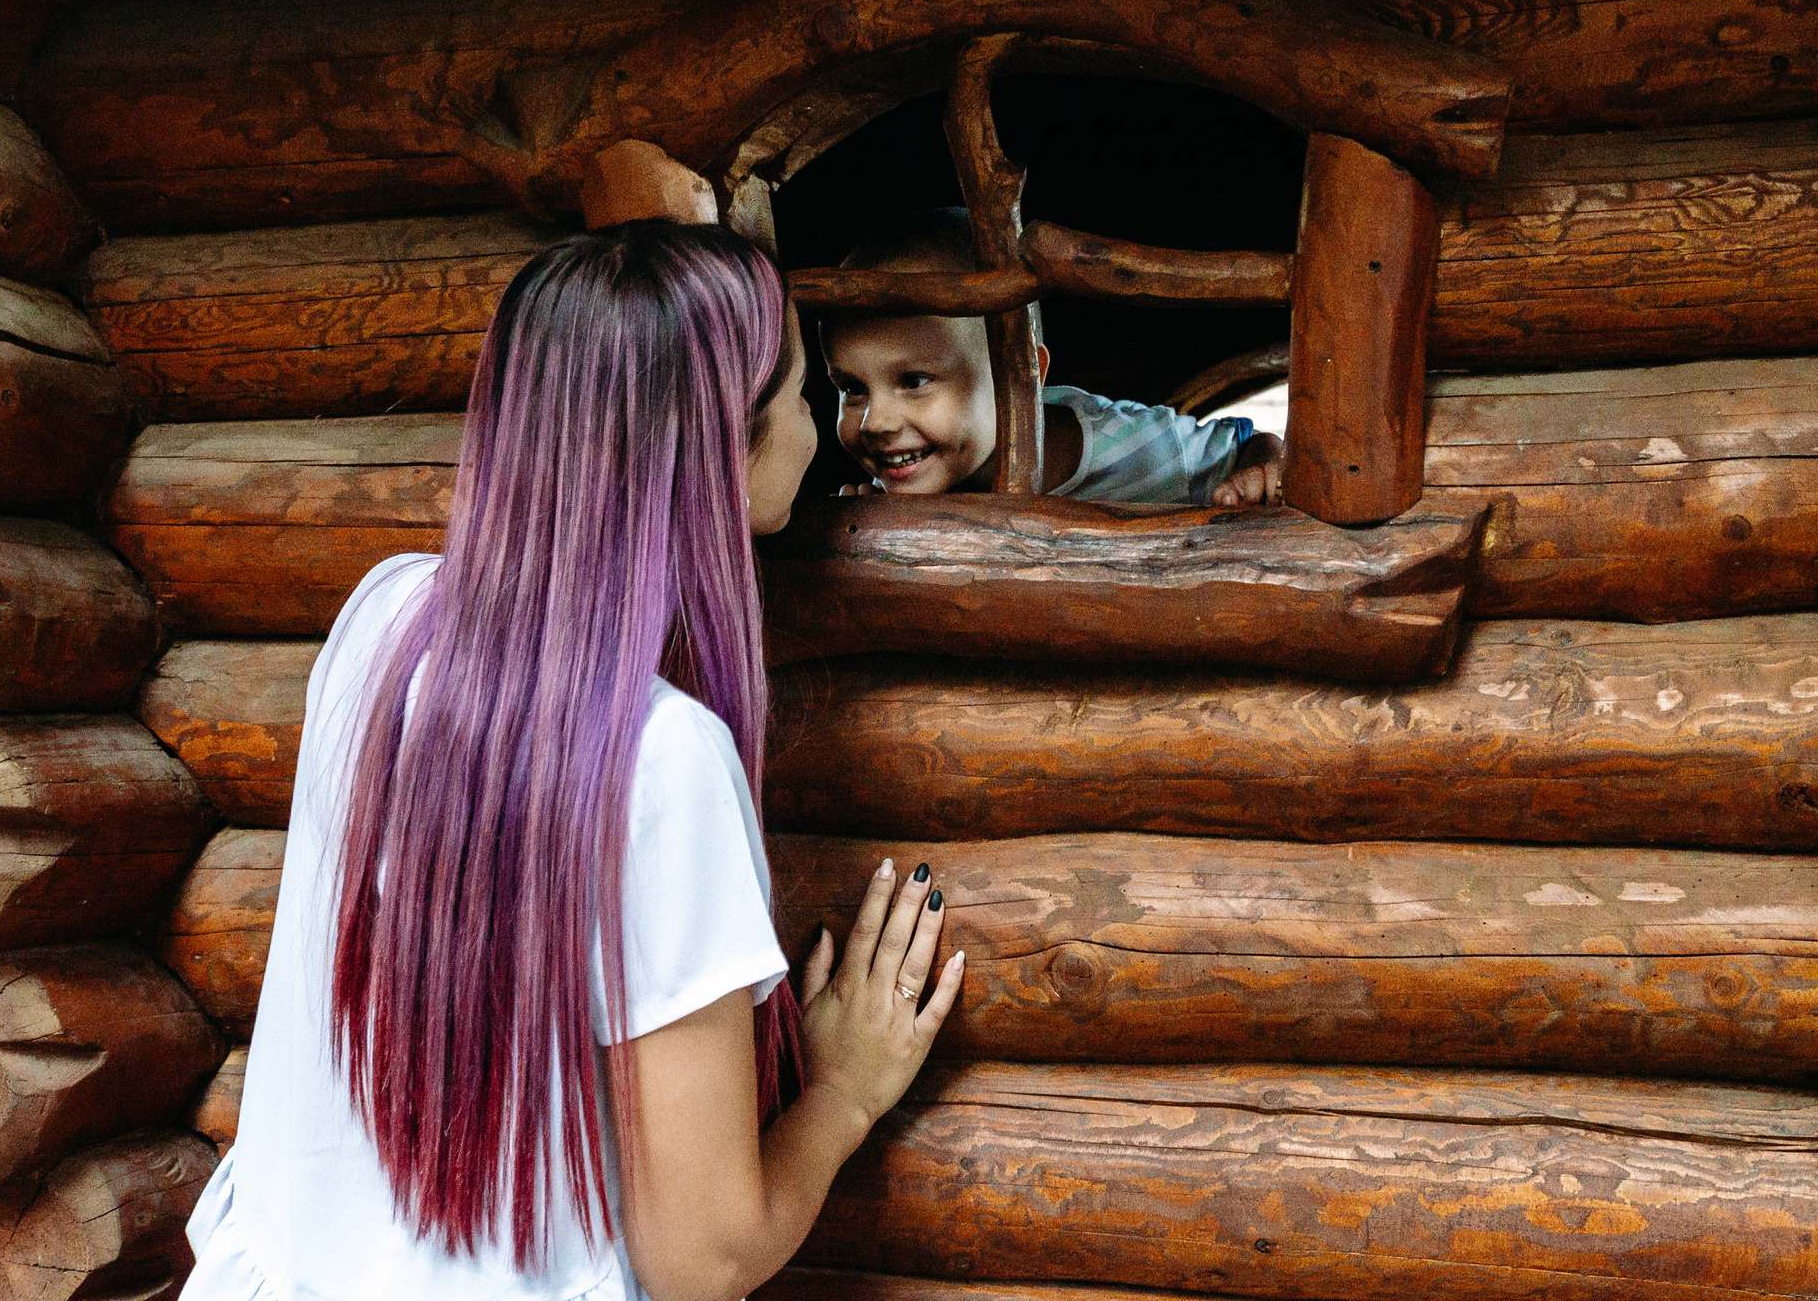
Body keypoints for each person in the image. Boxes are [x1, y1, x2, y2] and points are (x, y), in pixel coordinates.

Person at [184, 222, 963, 1301]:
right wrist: (841, 1093)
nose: (816, 425)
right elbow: (704, 1258)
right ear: (719, 446)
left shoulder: (382, 621)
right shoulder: (663, 761)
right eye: (796, 390)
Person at [823, 207, 1286, 505]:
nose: (875, 423)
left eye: (914, 380)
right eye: (852, 388)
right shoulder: (909, 468)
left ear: (1024, 375)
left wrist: (1264, 467)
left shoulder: (1133, 447)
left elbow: (1250, 445)